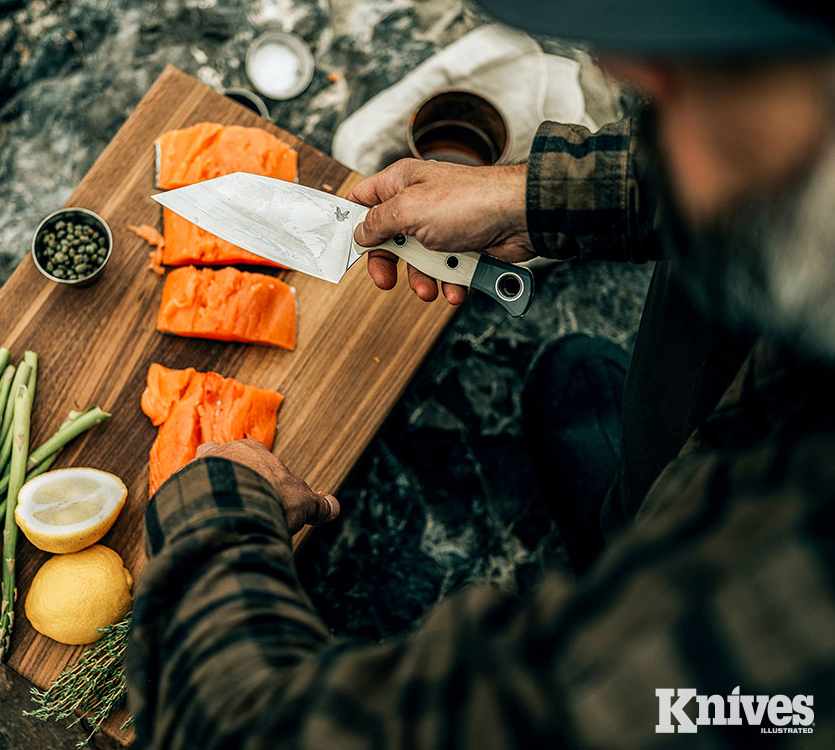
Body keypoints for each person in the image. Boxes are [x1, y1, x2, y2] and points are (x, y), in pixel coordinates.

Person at [126, 1, 835, 745]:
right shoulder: (798, 212)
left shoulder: (779, 607)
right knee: (677, 382)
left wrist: (216, 515)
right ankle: (633, 516)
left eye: (735, 62)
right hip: (741, 416)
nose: (620, 68)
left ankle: (634, 546)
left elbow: (253, 733)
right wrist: (536, 196)